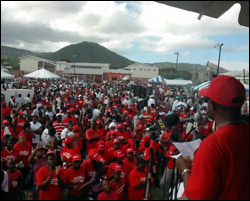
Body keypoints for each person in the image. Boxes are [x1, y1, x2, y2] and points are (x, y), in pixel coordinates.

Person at [176, 75, 249, 200]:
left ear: (213, 106)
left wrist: (184, 170)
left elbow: (197, 197)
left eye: (208, 100)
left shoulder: (212, 145)